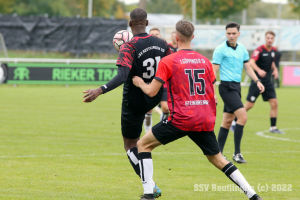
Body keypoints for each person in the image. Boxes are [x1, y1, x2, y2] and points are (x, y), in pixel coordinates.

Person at [133, 20, 263, 200]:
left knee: (142, 145)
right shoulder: (205, 61)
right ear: (192, 37)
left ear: (176, 38)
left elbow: (151, 91)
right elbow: (212, 92)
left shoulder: (168, 61)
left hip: (182, 118)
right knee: (217, 159)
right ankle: (253, 195)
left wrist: (139, 82)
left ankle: (148, 195)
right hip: (203, 118)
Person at [82, 8, 172, 198]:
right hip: (154, 94)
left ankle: (150, 185)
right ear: (146, 23)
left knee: (130, 144)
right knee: (143, 142)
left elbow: (123, 76)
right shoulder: (163, 43)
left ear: (130, 25)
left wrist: (100, 90)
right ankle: (150, 184)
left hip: (134, 100)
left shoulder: (129, 46)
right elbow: (173, 67)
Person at [212, 22, 265, 164]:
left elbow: (248, 68)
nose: (231, 36)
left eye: (233, 33)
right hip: (226, 88)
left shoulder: (242, 49)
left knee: (227, 121)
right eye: (228, 33)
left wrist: (258, 81)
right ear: (226, 33)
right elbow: (213, 72)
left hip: (236, 87)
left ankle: (218, 153)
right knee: (243, 117)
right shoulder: (220, 50)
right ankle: (237, 154)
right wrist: (213, 93)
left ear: (238, 34)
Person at [230, 31, 284, 134]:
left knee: (274, 103)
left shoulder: (273, 50)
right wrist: (258, 70)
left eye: (271, 38)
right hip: (257, 81)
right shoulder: (259, 50)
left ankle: (273, 127)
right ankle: (233, 122)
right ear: (265, 38)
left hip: (267, 81)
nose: (269, 40)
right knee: (249, 105)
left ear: (274, 39)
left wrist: (275, 70)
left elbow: (271, 61)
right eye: (268, 38)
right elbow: (251, 62)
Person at [144, 27, 170, 133]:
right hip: (150, 83)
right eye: (152, 34)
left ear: (160, 36)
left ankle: (161, 128)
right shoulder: (145, 50)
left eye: (157, 34)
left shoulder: (165, 49)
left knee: (166, 108)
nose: (155, 36)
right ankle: (147, 131)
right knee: (148, 109)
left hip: (163, 83)